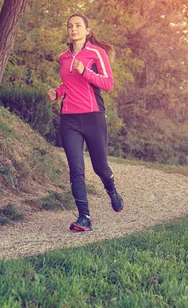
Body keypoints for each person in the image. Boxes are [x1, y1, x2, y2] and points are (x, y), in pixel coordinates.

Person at [47, 13, 124, 232]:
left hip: (93, 116)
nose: (73, 29)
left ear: (87, 30)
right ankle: (84, 217)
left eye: (78, 25)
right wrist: (57, 92)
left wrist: (86, 71)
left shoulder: (96, 53)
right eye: (70, 26)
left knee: (100, 166)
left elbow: (108, 84)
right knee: (76, 169)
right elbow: (67, 84)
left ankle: (112, 190)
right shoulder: (63, 57)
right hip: (69, 119)